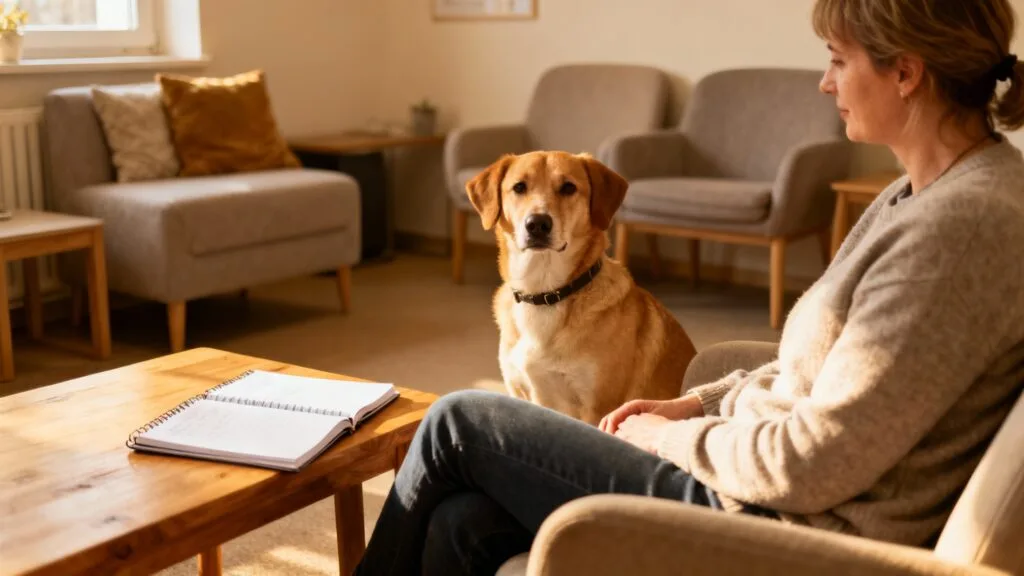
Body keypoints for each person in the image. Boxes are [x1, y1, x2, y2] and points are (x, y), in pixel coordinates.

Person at [355, 0, 1024, 573]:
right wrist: (698, 402)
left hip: (774, 527)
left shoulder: (958, 227)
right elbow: (818, 377)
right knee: (461, 523)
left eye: (838, 60)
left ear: (905, 72)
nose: (824, 84)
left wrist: (664, 439)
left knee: (458, 422)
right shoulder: (916, 195)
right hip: (754, 486)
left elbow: (811, 463)